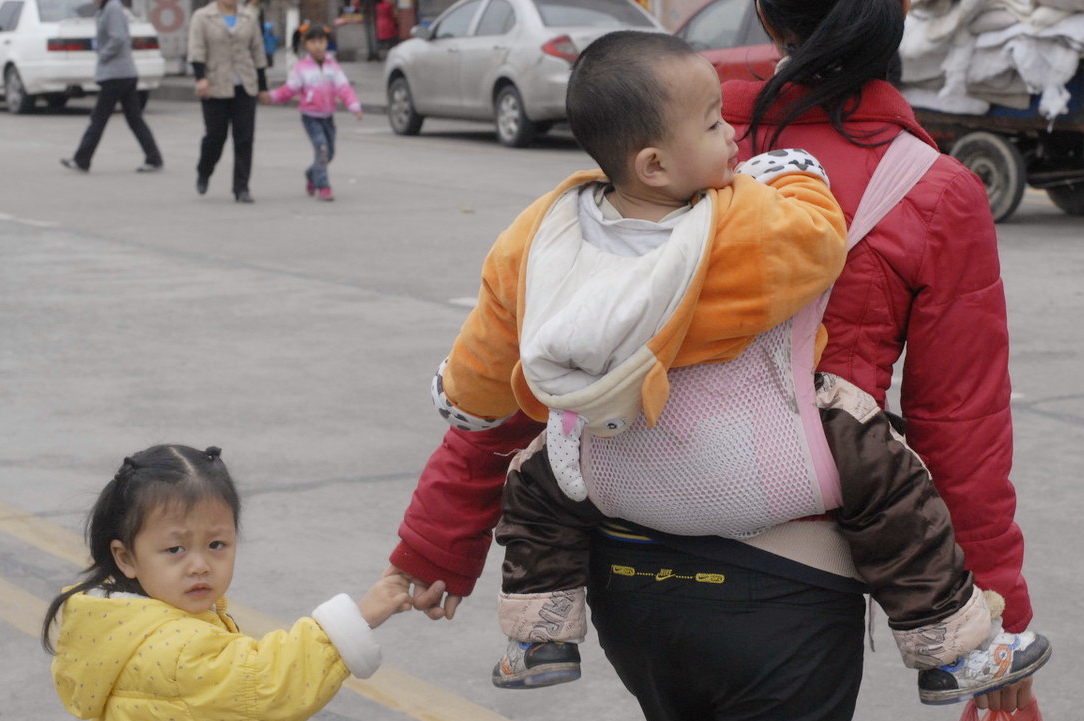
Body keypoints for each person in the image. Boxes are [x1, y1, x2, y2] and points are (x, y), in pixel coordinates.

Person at [387, 1, 1045, 718]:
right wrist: (997, 613)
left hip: (628, 573)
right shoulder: (930, 187)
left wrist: (436, 543)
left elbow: (551, 353)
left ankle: (540, 636)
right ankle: (946, 645)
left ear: (764, 13)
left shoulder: (657, 134)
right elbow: (962, 427)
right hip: (788, 586)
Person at [41, 444, 437, 721]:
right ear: (126, 557)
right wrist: (356, 620)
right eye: (175, 549)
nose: (200, 565)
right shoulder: (178, 650)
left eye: (216, 544)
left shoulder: (120, 626)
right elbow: (265, 684)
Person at [60, 0, 163, 174]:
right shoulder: (105, 8)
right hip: (123, 73)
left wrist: (104, 55)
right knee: (134, 119)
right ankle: (153, 158)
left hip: (116, 74)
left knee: (98, 119)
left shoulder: (112, 7)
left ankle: (81, 159)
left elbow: (119, 37)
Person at [264, 24, 362, 201]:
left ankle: (312, 174)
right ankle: (323, 187)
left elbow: (344, 88)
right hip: (310, 116)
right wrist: (272, 97)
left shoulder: (333, 66)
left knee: (329, 152)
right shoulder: (301, 68)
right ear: (306, 45)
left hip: (328, 116)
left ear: (326, 43)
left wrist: (354, 106)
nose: (318, 46)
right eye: (313, 42)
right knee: (322, 149)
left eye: (321, 41)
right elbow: (289, 90)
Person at [187, 0, 270, 203]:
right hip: (215, 85)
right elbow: (196, 51)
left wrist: (263, 86)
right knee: (215, 136)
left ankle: (241, 187)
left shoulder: (249, 17)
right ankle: (204, 170)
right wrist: (201, 78)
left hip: (245, 84)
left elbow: (258, 53)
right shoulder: (202, 16)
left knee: (244, 138)